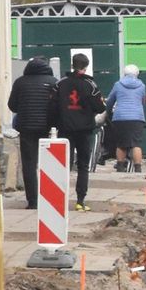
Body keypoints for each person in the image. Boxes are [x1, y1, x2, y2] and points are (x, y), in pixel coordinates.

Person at [52, 53, 106, 211]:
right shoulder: (90, 84)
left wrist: (55, 123)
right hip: (85, 130)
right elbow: (100, 107)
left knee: (63, 165)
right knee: (83, 166)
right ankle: (80, 201)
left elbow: (52, 106)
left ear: (72, 64)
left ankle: (58, 200)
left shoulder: (61, 83)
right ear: (86, 66)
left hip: (65, 129)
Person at [7, 56, 58, 209]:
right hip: (48, 129)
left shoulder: (20, 82)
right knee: (49, 164)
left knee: (29, 165)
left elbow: (12, 105)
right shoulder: (53, 82)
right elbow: (57, 105)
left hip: (26, 128)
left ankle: (33, 201)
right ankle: (49, 198)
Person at [105, 64, 146, 172]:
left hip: (120, 117)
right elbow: (142, 101)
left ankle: (120, 167)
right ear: (137, 74)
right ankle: (138, 168)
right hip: (137, 117)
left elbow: (110, 101)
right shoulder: (142, 86)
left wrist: (107, 112)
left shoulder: (118, 85)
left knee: (121, 144)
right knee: (136, 144)